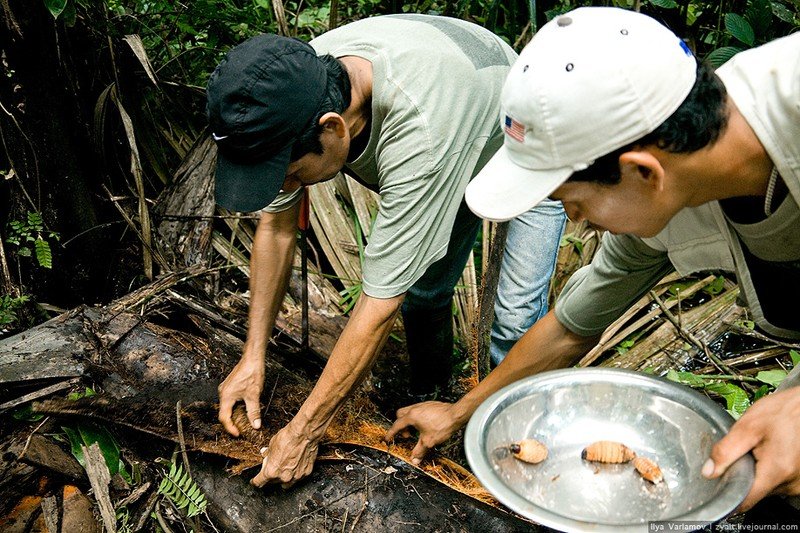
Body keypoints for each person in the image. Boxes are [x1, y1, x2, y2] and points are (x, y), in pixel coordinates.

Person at [386, 6, 800, 512]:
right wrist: (460, 412)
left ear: (642, 171)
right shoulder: (665, 198)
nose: (577, 221)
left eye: (571, 203)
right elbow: (569, 328)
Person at [205, 14, 565, 487]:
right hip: (460, 125)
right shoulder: (290, 92)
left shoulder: (421, 133)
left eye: (290, 175)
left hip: (528, 143)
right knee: (426, 293)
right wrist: (253, 355)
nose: (286, 186)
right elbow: (275, 227)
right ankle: (430, 394)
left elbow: (378, 305)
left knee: (515, 321)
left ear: (333, 130)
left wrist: (303, 434)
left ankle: (510, 456)